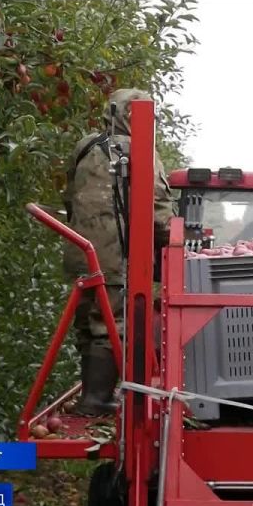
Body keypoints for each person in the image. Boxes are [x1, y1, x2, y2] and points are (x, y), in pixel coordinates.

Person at [62, 88, 174, 416]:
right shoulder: (140, 150)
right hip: (118, 254)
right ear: (133, 115)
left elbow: (69, 197)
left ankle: (91, 393)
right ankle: (97, 398)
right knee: (111, 322)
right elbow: (158, 212)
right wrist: (174, 247)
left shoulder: (85, 146)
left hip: (82, 250)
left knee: (87, 319)